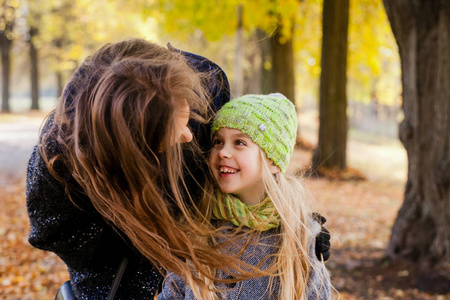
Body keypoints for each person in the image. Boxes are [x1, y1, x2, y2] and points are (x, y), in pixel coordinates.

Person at [26, 38, 233, 299]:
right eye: (167, 132)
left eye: (186, 113)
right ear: (132, 146)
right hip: (116, 270)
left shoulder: (207, 85)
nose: (187, 136)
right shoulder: (57, 162)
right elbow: (53, 233)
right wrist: (136, 226)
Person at [157, 94, 331, 300]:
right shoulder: (197, 230)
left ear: (273, 161)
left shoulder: (299, 238)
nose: (223, 152)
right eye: (218, 142)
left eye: (239, 142)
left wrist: (308, 232)